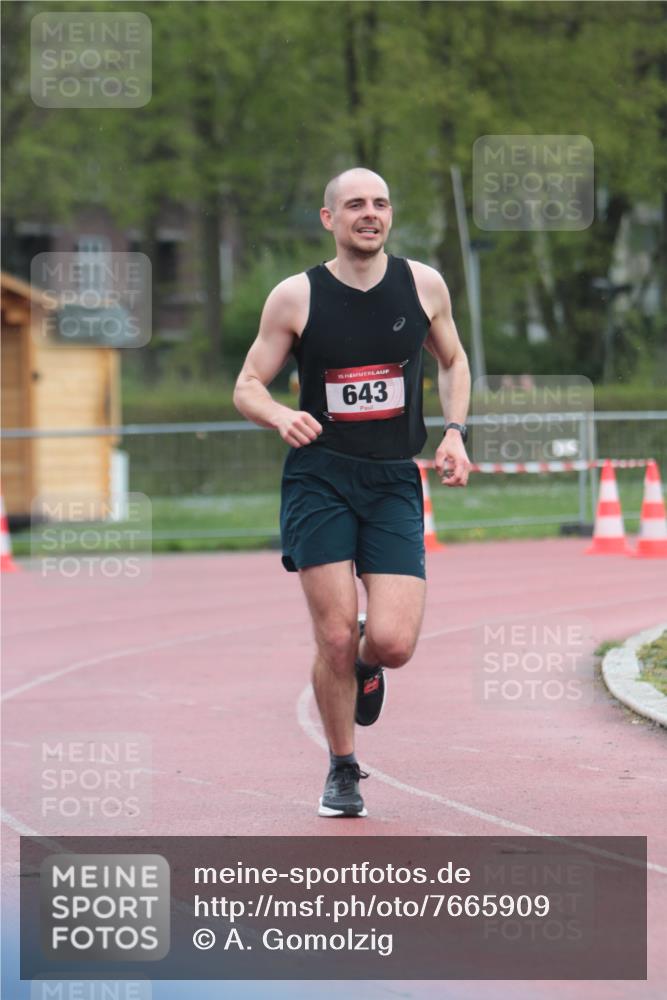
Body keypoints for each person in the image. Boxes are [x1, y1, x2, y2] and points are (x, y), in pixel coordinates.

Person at [234, 167, 471, 817]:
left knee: (390, 643)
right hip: (320, 477)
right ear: (328, 218)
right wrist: (279, 416)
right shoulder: (295, 296)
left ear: (389, 216)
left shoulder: (422, 285)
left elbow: (452, 361)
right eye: (355, 205)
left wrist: (453, 432)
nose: (370, 213)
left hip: (394, 477)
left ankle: (367, 665)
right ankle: (342, 768)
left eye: (380, 204)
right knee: (333, 636)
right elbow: (247, 383)